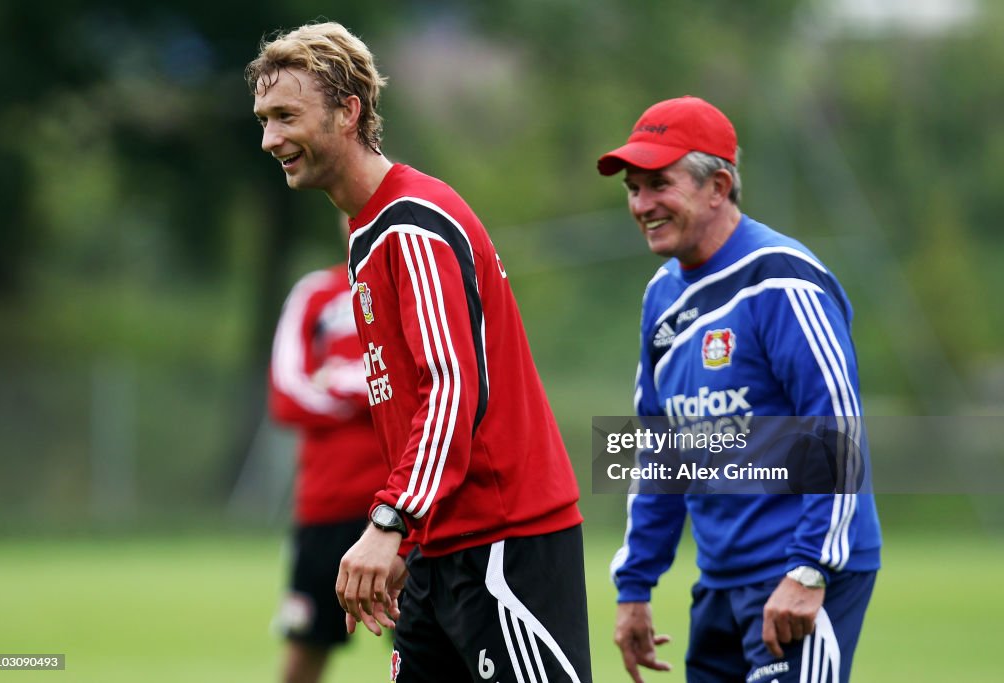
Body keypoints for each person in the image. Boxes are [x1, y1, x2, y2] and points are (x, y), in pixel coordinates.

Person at [247, 21, 592, 683]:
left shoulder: (412, 222)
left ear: (348, 111)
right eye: (264, 119)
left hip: (500, 539)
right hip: (439, 545)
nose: (270, 139)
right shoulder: (368, 234)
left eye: (286, 116)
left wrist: (389, 518)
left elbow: (451, 385)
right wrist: (411, 531)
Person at [597, 96, 881, 683]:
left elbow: (835, 424)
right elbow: (658, 453)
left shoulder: (782, 279)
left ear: (718, 185)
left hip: (798, 581)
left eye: (659, 184)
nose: (642, 204)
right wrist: (635, 584)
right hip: (721, 584)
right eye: (633, 188)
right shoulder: (660, 296)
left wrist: (810, 569)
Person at [268, 256, 390, 683]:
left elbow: (434, 387)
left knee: (429, 648)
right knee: (306, 645)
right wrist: (374, 390)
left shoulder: (415, 281)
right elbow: (286, 394)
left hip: (408, 506)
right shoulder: (316, 292)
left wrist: (337, 378)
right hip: (328, 507)